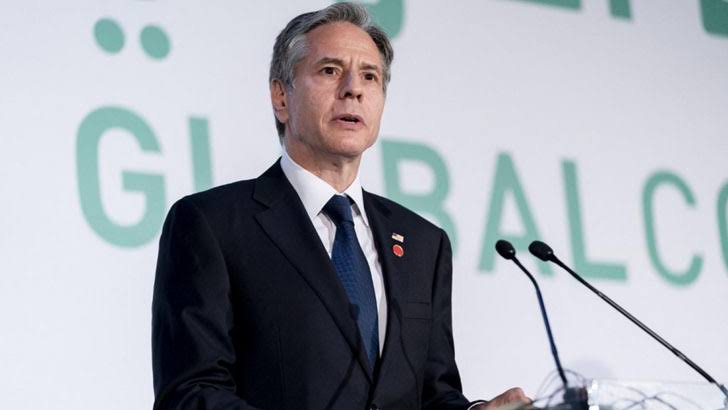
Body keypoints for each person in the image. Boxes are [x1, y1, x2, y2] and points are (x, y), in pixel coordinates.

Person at [152, 3, 531, 409]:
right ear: (281, 97)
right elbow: (191, 393)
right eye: (330, 70)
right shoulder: (214, 224)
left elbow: (434, 394)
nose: (354, 89)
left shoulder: (424, 244)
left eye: (370, 76)